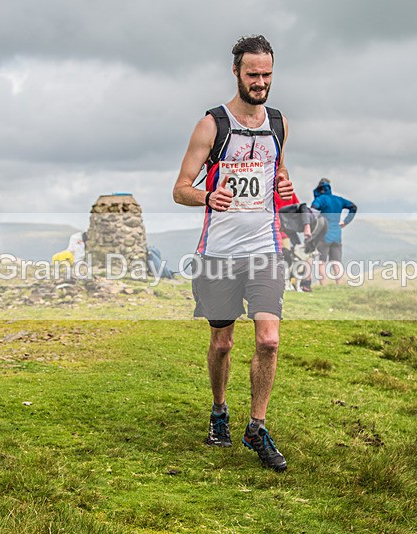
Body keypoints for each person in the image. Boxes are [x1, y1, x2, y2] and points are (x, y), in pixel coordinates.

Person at [172, 35, 294, 472]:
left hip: (264, 248)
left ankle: (256, 428)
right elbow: (179, 189)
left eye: (267, 75)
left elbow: (276, 174)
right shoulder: (212, 124)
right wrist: (207, 196)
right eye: (252, 74)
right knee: (222, 343)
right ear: (237, 73)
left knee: (269, 339)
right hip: (218, 254)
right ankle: (219, 411)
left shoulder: (278, 123)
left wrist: (284, 189)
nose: (260, 82)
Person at [310, 178, 357, 285]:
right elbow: (353, 207)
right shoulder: (338, 200)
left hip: (323, 235)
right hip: (337, 235)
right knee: (337, 262)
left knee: (321, 262)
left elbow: (312, 212)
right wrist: (345, 222)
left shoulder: (320, 200)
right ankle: (339, 284)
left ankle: (323, 284)